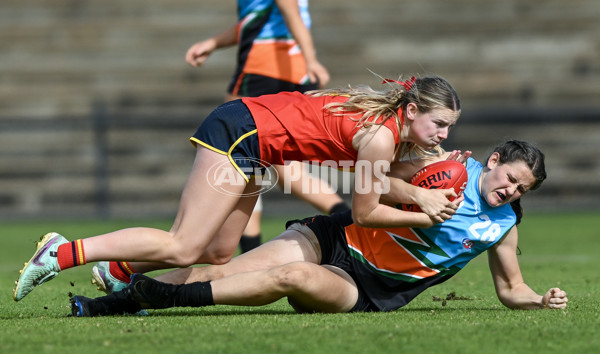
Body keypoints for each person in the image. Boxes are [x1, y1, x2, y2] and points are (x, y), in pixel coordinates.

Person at [14, 75, 463, 302]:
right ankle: (60, 252)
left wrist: (433, 171)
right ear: (411, 108)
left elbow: (379, 176)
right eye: (438, 124)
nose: (443, 134)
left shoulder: (385, 128)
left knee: (219, 251)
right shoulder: (382, 136)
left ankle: (119, 271)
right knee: (183, 245)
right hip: (240, 133)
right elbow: (365, 210)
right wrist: (423, 205)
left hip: (255, 144)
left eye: (448, 128)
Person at [69, 141, 568, 316]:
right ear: (495, 160)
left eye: (522, 190)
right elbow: (372, 181)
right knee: (219, 272)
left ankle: (164, 297)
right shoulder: (446, 165)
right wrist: (416, 191)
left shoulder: (504, 225)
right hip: (338, 235)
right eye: (511, 179)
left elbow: (510, 287)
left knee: (297, 280)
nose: (511, 192)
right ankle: (109, 304)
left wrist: (538, 300)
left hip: (368, 286)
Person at [186, 0, 347, 254]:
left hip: (262, 65)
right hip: (292, 71)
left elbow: (289, 9)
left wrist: (312, 59)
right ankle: (346, 219)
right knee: (283, 168)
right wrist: (214, 43)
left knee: (238, 157)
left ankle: (246, 251)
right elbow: (255, 20)